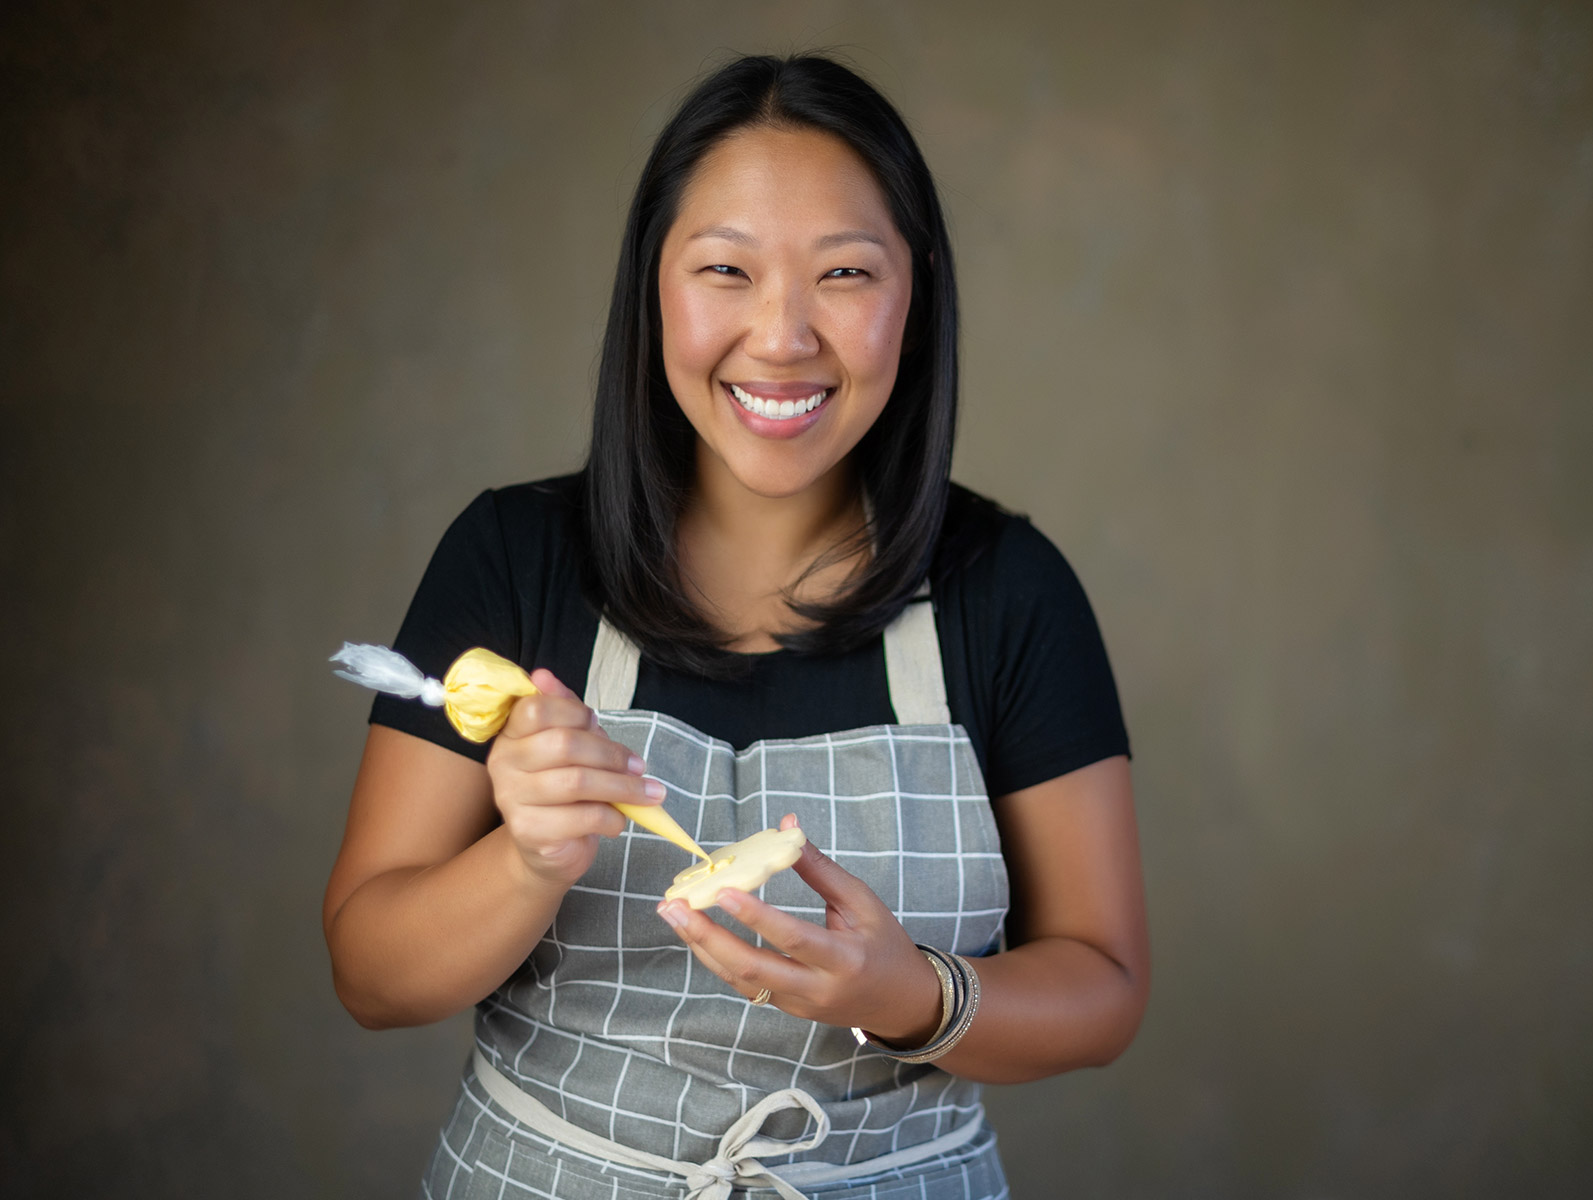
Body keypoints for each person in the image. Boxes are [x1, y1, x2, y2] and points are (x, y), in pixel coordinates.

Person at [323, 53, 1148, 1200]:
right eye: (726, 269)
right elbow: (371, 974)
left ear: (916, 294)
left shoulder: (1010, 592)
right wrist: (524, 859)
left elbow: (1103, 988)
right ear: (652, 285)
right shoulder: (515, 558)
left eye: (845, 274)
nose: (782, 336)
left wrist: (909, 998)